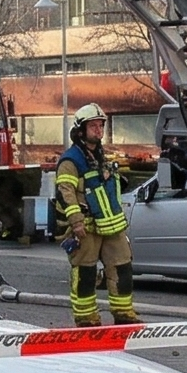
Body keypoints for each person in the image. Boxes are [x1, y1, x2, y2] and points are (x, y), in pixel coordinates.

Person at [52, 104, 140, 327]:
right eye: (93, 126)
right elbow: (66, 193)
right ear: (80, 130)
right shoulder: (71, 161)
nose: (98, 130)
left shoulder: (101, 157)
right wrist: (76, 222)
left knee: (122, 266)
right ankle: (86, 318)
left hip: (111, 226)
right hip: (86, 227)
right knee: (86, 272)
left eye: (101, 125)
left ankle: (123, 313)